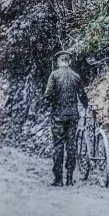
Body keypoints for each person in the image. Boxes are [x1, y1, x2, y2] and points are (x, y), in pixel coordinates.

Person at [43, 50, 88, 186]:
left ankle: (58, 179)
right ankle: (69, 178)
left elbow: (48, 95)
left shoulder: (54, 75)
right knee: (71, 146)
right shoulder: (76, 76)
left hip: (58, 116)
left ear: (58, 61)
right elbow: (82, 95)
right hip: (73, 116)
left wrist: (48, 104)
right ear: (69, 61)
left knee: (58, 146)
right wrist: (86, 106)